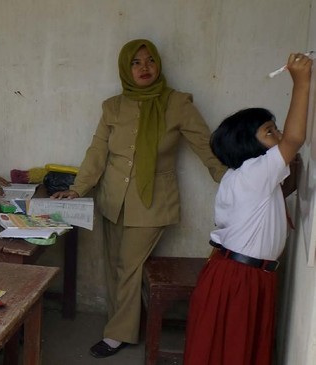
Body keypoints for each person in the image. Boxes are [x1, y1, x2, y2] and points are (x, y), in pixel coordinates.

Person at [52, 39, 226, 358]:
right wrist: (79, 188)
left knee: (129, 266)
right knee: (115, 266)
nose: (144, 68)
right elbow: (97, 152)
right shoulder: (112, 107)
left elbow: (205, 145)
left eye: (149, 61)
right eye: (135, 62)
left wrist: (230, 177)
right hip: (113, 199)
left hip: (153, 202)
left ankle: (118, 335)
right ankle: (127, 323)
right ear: (125, 69)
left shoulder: (177, 104)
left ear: (159, 64)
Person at [184, 53, 312, 365]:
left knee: (232, 351)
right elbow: (296, 139)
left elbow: (286, 185)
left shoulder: (243, 176)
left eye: (275, 128)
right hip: (239, 278)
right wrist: (302, 82)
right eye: (270, 131)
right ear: (246, 146)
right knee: (232, 353)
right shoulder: (255, 172)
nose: (279, 136)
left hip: (241, 274)